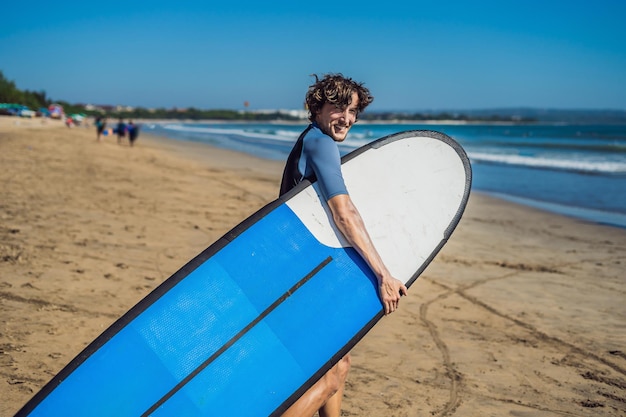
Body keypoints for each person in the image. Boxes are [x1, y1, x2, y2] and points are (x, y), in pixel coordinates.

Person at [280, 74, 408, 417]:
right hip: (306, 278)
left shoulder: (307, 141)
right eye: (339, 107)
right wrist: (383, 275)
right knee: (328, 379)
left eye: (353, 112)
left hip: (299, 274)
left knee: (340, 366)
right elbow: (344, 213)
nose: (347, 118)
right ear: (317, 108)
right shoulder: (321, 144)